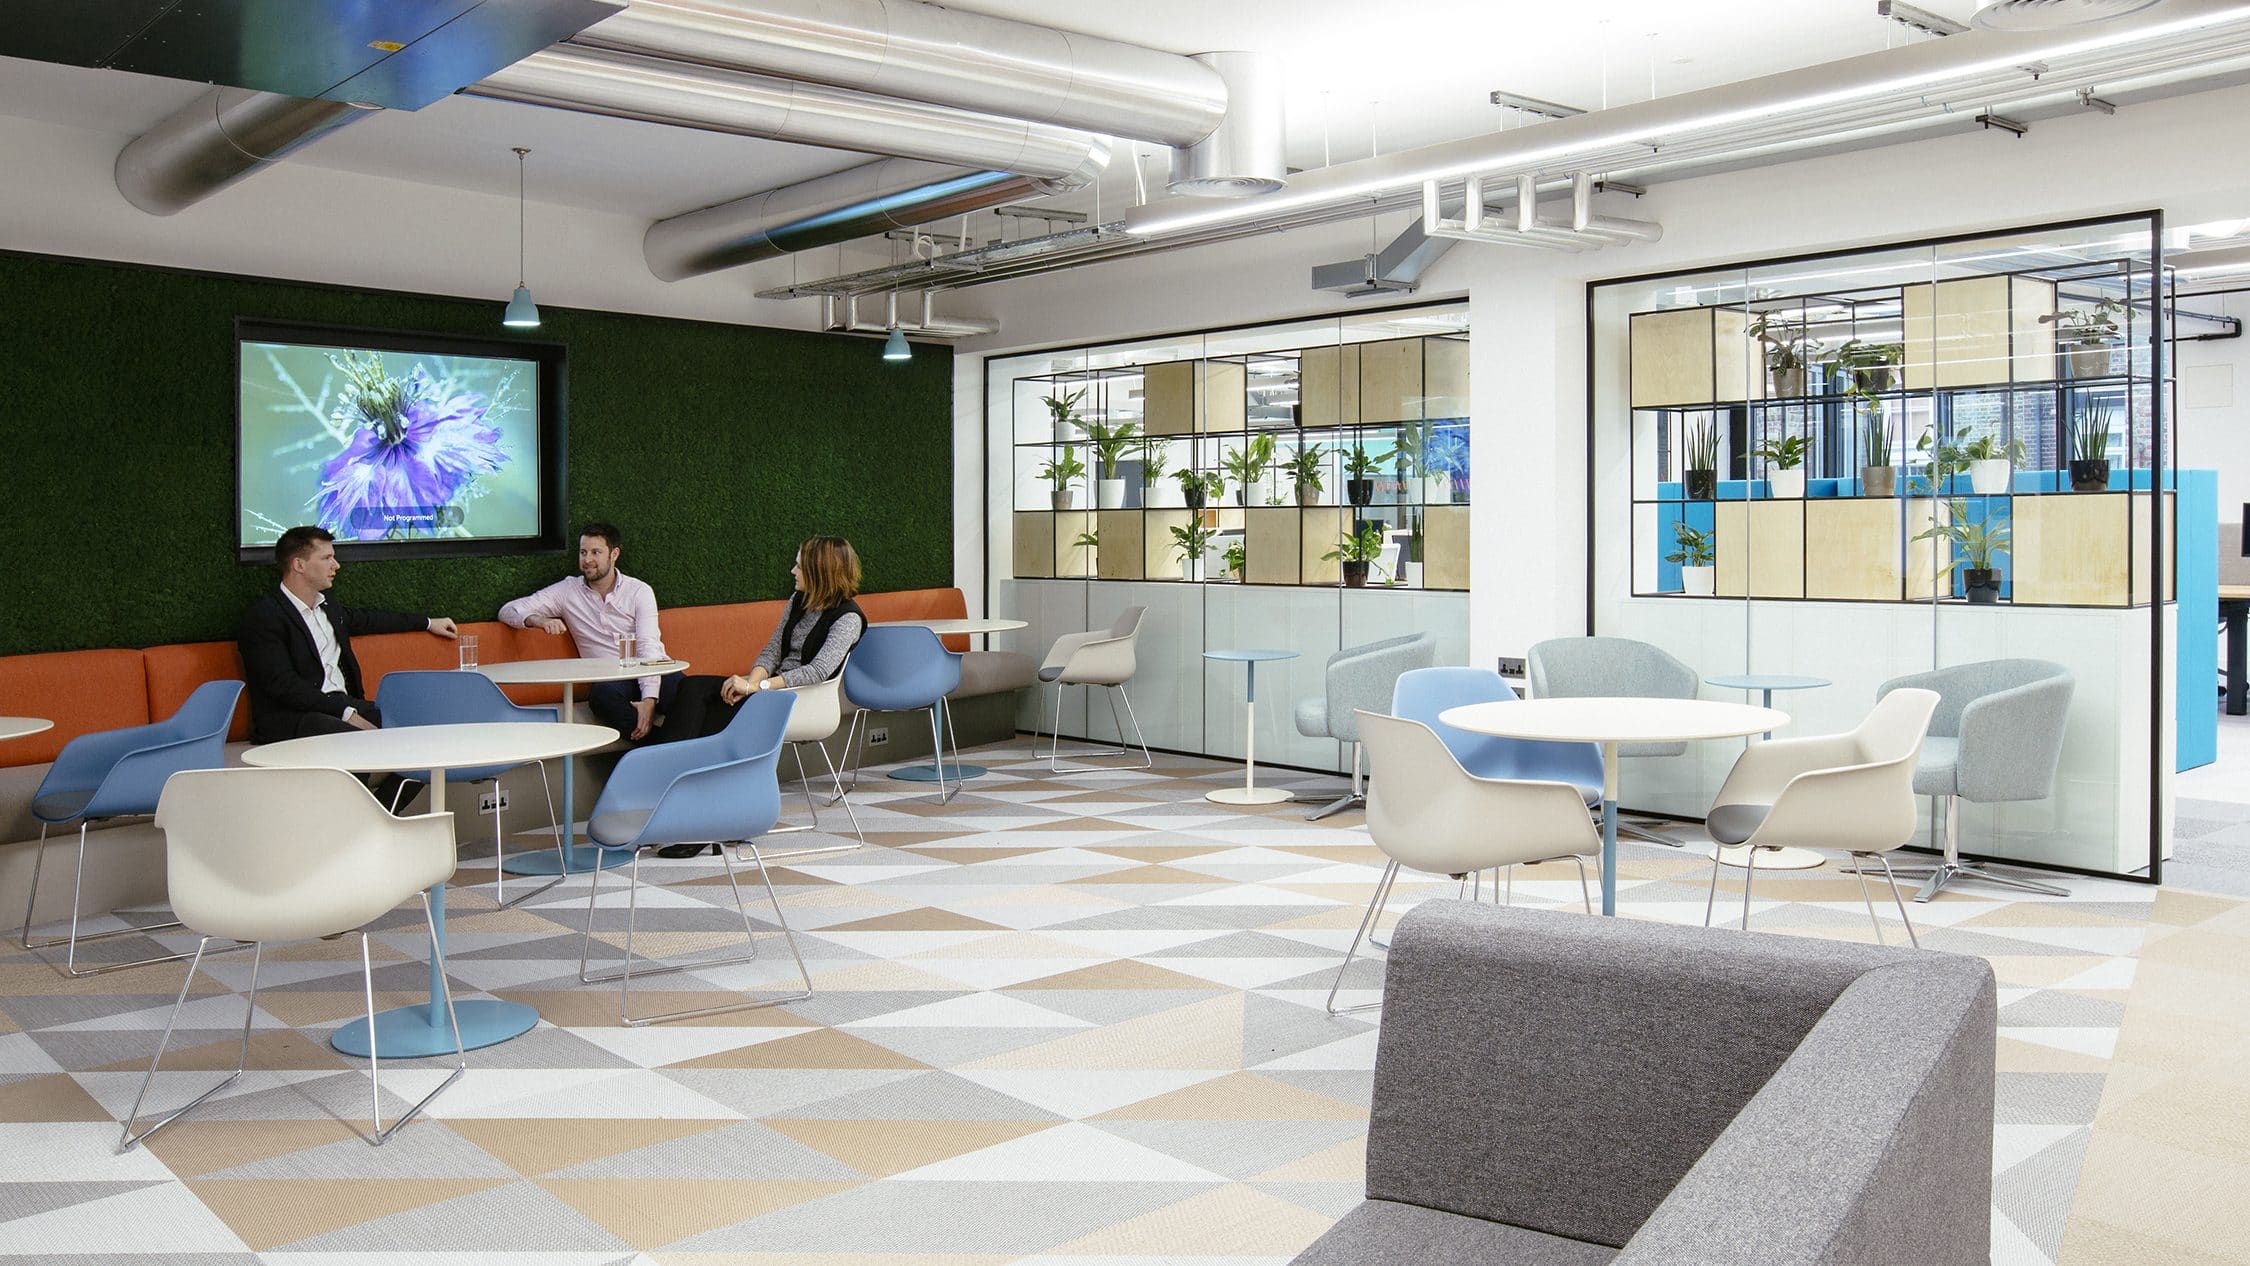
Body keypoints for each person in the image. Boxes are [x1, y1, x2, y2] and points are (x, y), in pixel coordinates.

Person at [655, 536, 866, 857]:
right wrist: (750, 683)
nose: (793, 570)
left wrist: (758, 688)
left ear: (820, 570)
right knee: (692, 688)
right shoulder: (799, 600)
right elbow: (771, 651)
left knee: (711, 717)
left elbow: (819, 671)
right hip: (770, 691)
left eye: (799, 565)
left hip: (802, 702)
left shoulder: (848, 618)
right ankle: (683, 804)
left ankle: (689, 816)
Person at [238, 525, 460, 806]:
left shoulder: (329, 607)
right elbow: (283, 685)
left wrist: (428, 623)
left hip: (343, 705)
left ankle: (381, 816)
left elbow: (370, 619)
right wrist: (345, 713)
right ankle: (355, 819)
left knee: (422, 737)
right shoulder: (264, 617)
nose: (336, 565)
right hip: (294, 717)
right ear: (299, 565)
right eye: (327, 558)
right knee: (353, 742)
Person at [497, 521, 678, 741]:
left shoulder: (639, 591)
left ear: (614, 554)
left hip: (648, 668)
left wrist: (649, 700)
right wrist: (538, 620)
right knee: (602, 697)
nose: (587, 560)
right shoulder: (567, 591)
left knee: (690, 689)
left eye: (595, 552)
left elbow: (648, 646)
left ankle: (676, 747)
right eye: (583, 552)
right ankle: (665, 747)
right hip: (611, 680)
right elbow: (508, 610)